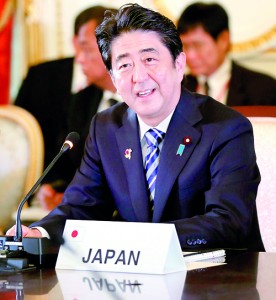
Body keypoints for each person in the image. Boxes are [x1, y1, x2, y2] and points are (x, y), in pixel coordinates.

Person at [7, 3, 264, 251]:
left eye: (150, 59)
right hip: (136, 281)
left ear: (178, 64)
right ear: (113, 79)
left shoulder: (226, 128)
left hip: (217, 283)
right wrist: (40, 232)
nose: (139, 77)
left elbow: (229, 222)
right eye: (124, 65)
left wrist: (141, 240)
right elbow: (81, 206)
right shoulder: (106, 127)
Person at [15, 6, 119, 210]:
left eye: (87, 49)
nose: (79, 58)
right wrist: (55, 189)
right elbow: (68, 165)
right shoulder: (82, 101)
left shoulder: (148, 102)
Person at [177, 2, 276, 105]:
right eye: (185, 46)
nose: (190, 55)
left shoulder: (263, 89)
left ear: (223, 40)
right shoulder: (178, 88)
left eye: (198, 45)